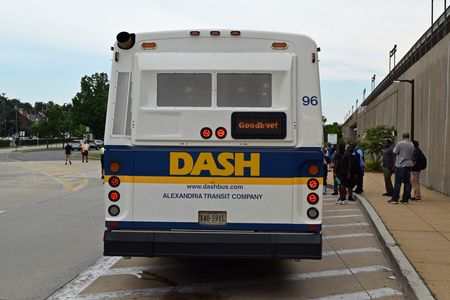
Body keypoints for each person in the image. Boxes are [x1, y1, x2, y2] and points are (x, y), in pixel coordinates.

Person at [389, 133, 414, 204]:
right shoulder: (411, 144)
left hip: (401, 165)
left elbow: (394, 151)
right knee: (407, 183)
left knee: (398, 182)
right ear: (408, 137)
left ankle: (395, 199)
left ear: (403, 137)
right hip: (409, 165)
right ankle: (405, 199)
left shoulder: (400, 143)